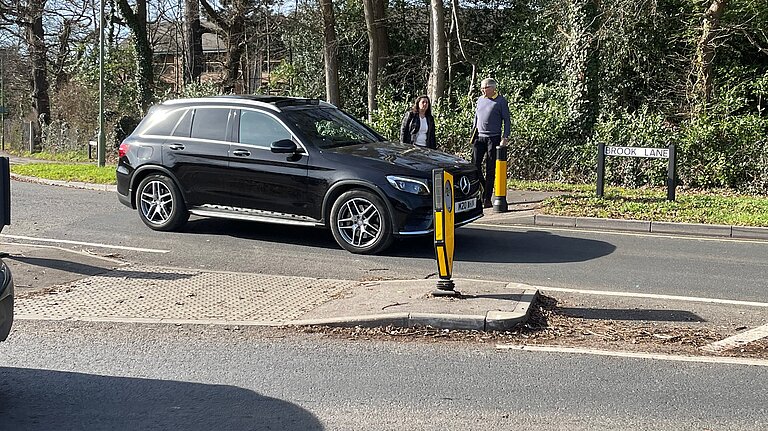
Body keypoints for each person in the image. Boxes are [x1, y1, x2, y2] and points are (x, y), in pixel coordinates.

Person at [472, 77, 510, 208]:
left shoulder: (501, 101)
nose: (483, 90)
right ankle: (481, 189)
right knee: (475, 165)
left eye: (485, 88)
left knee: (490, 168)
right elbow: (476, 117)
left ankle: (487, 197)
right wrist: (473, 132)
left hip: (493, 138)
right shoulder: (480, 100)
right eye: (481, 88)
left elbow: (507, 120)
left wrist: (505, 137)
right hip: (479, 137)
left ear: (492, 88)